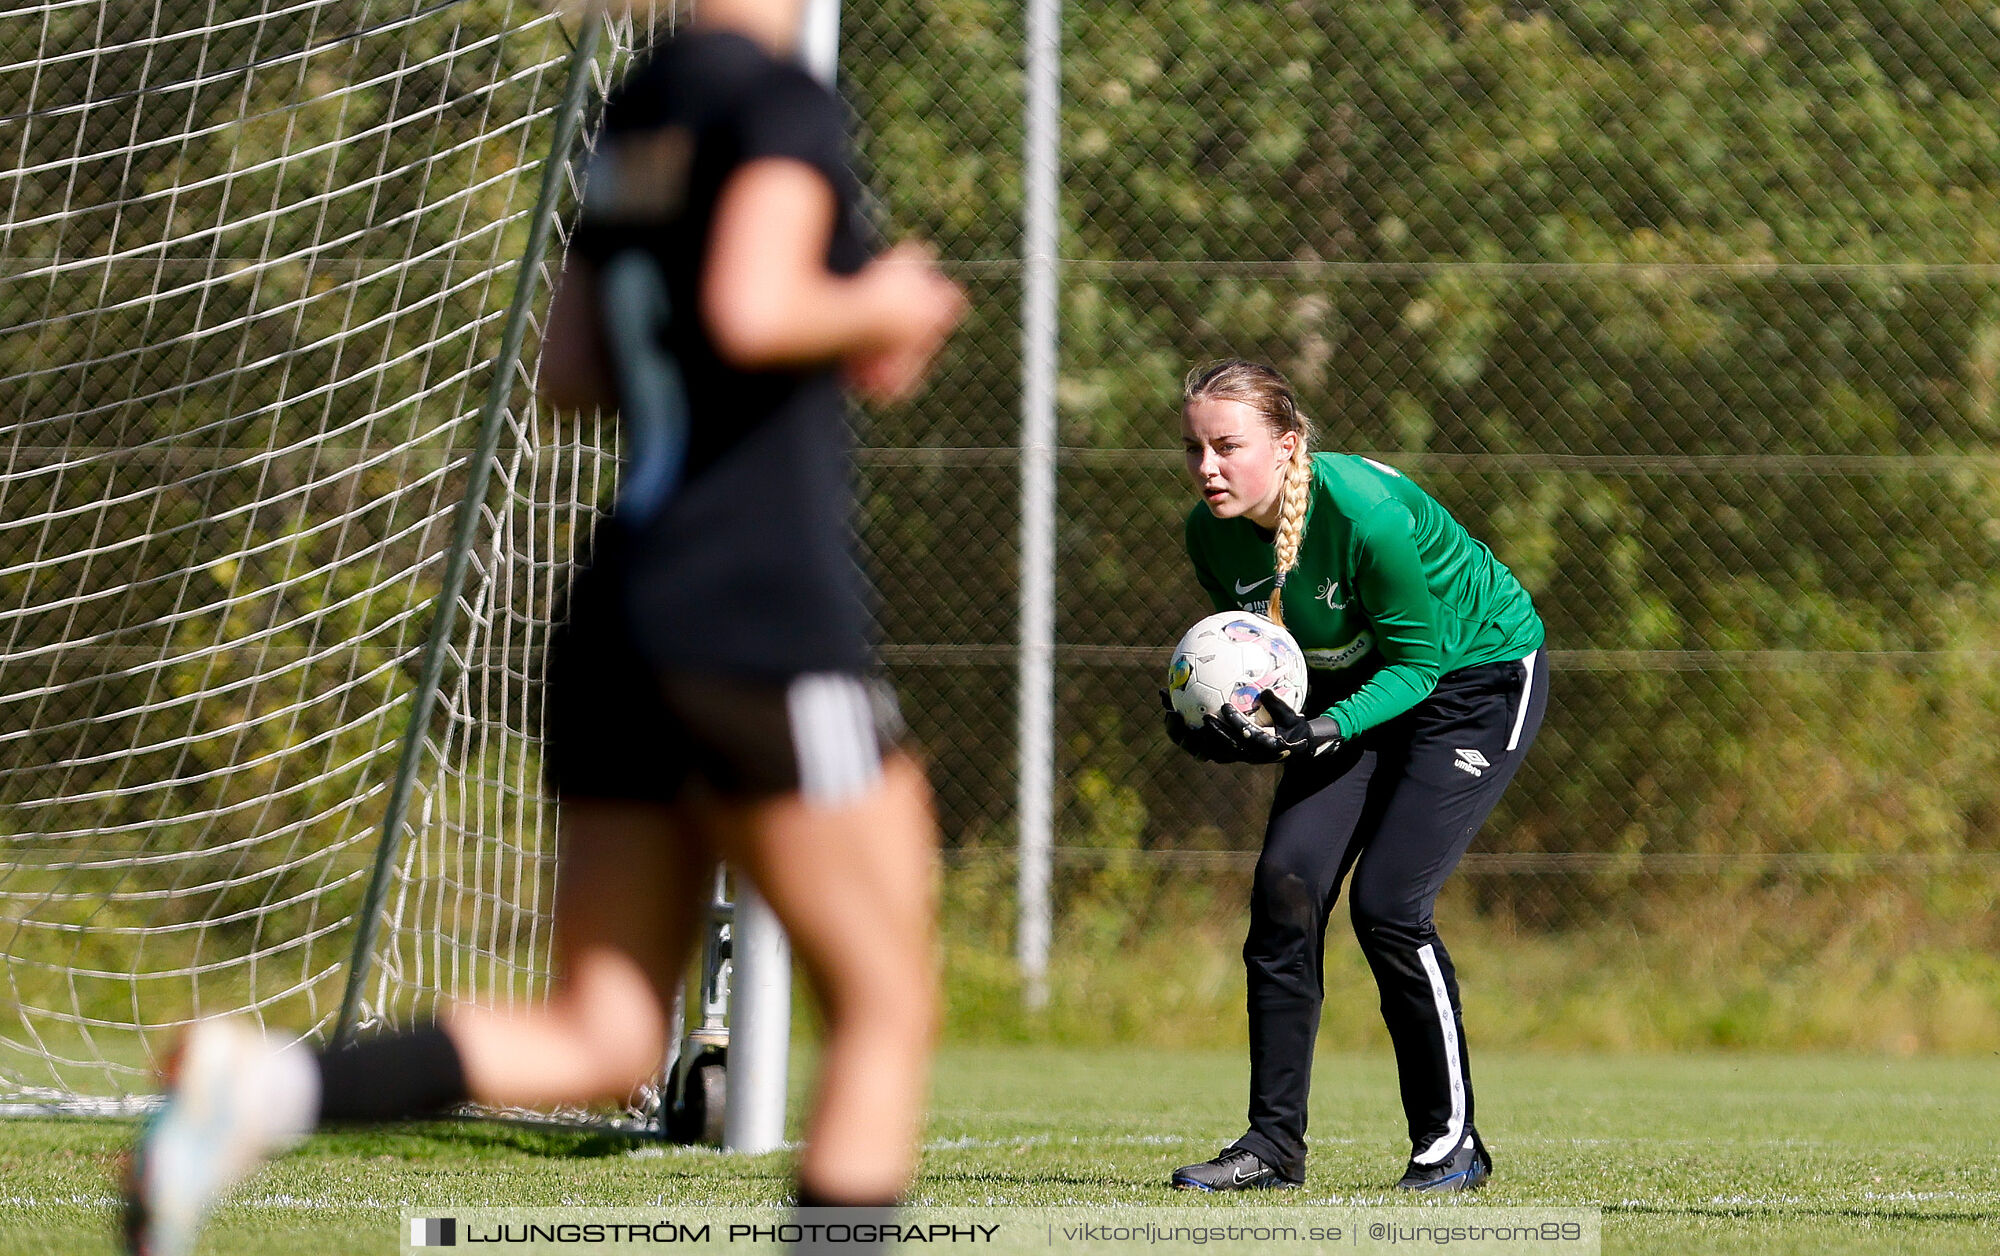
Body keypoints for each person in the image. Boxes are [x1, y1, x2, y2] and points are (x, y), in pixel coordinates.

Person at [121, 1, 965, 1252]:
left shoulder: (640, 110)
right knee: (886, 1004)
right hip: (758, 614)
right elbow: (748, 306)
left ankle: (265, 1087)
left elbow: (568, 366)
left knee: (606, 1031)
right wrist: (881, 303)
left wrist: (795, 333)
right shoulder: (776, 100)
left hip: (622, 602)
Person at [1160, 359, 1545, 1194]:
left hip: (1473, 678)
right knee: (1287, 885)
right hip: (1357, 683)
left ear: (1288, 445)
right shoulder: (1208, 533)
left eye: (1228, 446)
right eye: (1193, 448)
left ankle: (1452, 1147)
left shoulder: (1366, 517)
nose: (1207, 468)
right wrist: (1231, 725)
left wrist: (1322, 729)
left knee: (1388, 908)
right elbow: (1281, 661)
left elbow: (1419, 665)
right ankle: (1271, 1148)